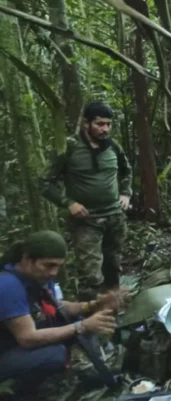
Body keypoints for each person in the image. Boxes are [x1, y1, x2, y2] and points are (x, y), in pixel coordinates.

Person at [0, 231, 122, 395]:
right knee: (55, 354)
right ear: (28, 259)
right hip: (7, 352)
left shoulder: (37, 277)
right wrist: (81, 326)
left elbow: (56, 307)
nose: (53, 273)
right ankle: (19, 392)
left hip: (17, 344)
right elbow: (27, 338)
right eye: (49, 265)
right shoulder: (8, 285)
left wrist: (93, 305)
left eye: (58, 266)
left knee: (81, 321)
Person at [40, 101, 131, 299]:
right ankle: (92, 318)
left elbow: (126, 172)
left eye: (108, 124)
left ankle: (114, 310)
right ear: (86, 123)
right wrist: (68, 203)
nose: (105, 129)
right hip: (86, 220)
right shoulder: (69, 148)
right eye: (99, 124)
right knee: (91, 275)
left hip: (114, 217)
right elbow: (46, 183)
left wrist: (126, 193)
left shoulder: (113, 147)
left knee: (113, 266)